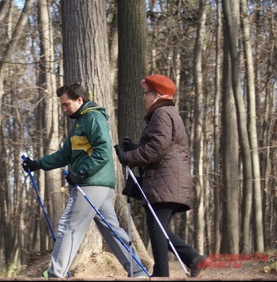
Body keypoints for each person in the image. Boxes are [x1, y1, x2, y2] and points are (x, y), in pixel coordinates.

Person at [22, 83, 148, 278]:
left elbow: (103, 152)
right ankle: (138, 271)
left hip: (91, 183)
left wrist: (81, 173)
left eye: (66, 104)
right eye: (62, 105)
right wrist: (37, 164)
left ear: (79, 100)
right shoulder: (79, 122)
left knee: (69, 226)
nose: (64, 109)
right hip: (99, 185)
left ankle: (56, 273)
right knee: (112, 230)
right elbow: (65, 154)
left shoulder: (93, 118)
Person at [114, 74, 208, 278]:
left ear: (156, 95)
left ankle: (172, 268)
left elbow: (158, 147)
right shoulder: (167, 113)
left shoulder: (162, 114)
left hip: (165, 181)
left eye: (146, 93)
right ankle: (177, 265)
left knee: (157, 229)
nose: (143, 98)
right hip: (167, 180)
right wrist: (135, 148)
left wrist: (128, 157)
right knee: (158, 228)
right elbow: (162, 146)